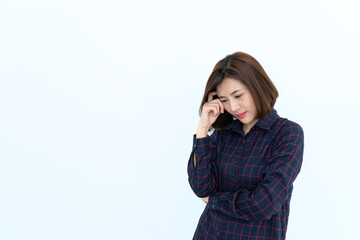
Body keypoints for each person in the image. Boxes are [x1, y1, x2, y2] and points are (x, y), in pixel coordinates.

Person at [187, 52, 304, 240]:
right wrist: (203, 130)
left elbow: (265, 202)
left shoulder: (288, 133)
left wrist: (215, 200)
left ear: (257, 87)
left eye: (238, 95)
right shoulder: (223, 133)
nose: (233, 107)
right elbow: (201, 188)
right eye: (224, 100)